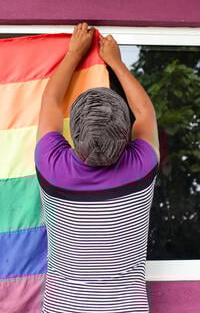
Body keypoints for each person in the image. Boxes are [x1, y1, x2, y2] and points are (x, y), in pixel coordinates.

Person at [34, 23, 160, 312]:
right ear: (127, 133)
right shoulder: (141, 166)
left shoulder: (53, 167)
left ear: (73, 137)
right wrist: (115, 62)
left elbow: (50, 101)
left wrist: (73, 54)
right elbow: (145, 112)